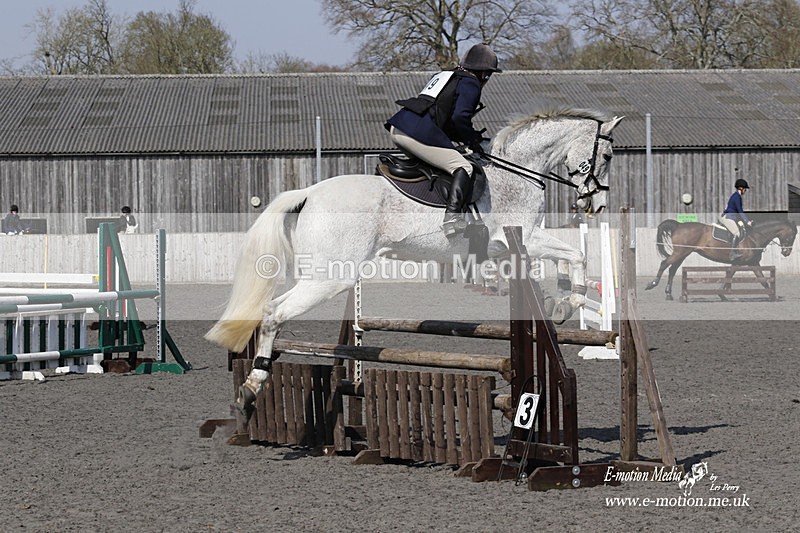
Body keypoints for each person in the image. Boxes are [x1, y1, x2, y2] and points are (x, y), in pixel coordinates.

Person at [385, 43, 501, 237]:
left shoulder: (447, 75)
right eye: (488, 75)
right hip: (416, 133)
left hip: (400, 127)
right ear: (482, 73)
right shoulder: (470, 83)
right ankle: (453, 219)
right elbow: (459, 118)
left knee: (443, 166)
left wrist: (461, 139)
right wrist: (473, 140)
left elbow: (443, 119)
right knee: (464, 167)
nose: (487, 80)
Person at [719, 178, 752, 260]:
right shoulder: (737, 197)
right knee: (737, 233)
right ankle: (732, 253)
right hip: (728, 217)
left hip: (731, 217)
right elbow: (740, 211)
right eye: (745, 189)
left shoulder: (736, 196)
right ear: (741, 188)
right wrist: (747, 222)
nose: (745, 191)